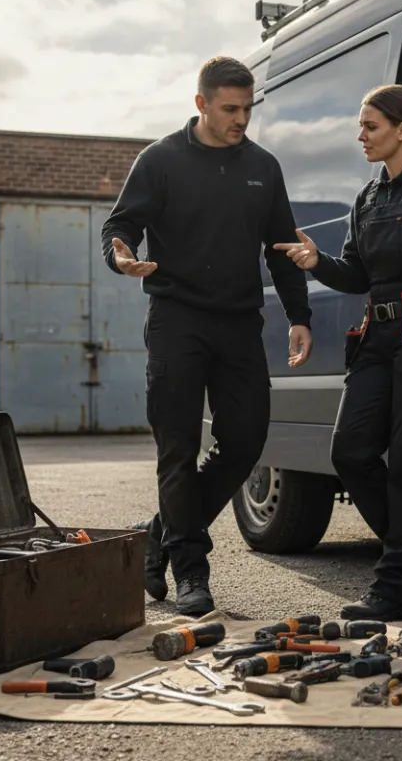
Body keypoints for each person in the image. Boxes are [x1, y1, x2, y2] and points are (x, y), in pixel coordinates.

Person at [101, 57, 314, 617]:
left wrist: (299, 315)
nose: (241, 118)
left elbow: (282, 246)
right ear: (201, 104)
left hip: (240, 323)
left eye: (247, 108)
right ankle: (192, 571)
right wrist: (120, 255)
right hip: (177, 320)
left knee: (245, 442)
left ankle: (159, 535)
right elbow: (120, 224)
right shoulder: (161, 159)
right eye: (230, 108)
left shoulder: (263, 167)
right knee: (177, 449)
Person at [273, 84, 402, 621]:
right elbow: (357, 276)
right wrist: (315, 261)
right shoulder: (367, 198)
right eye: (360, 125)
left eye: (371, 126)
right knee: (350, 452)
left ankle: (394, 588)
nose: (361, 136)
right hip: (376, 343)